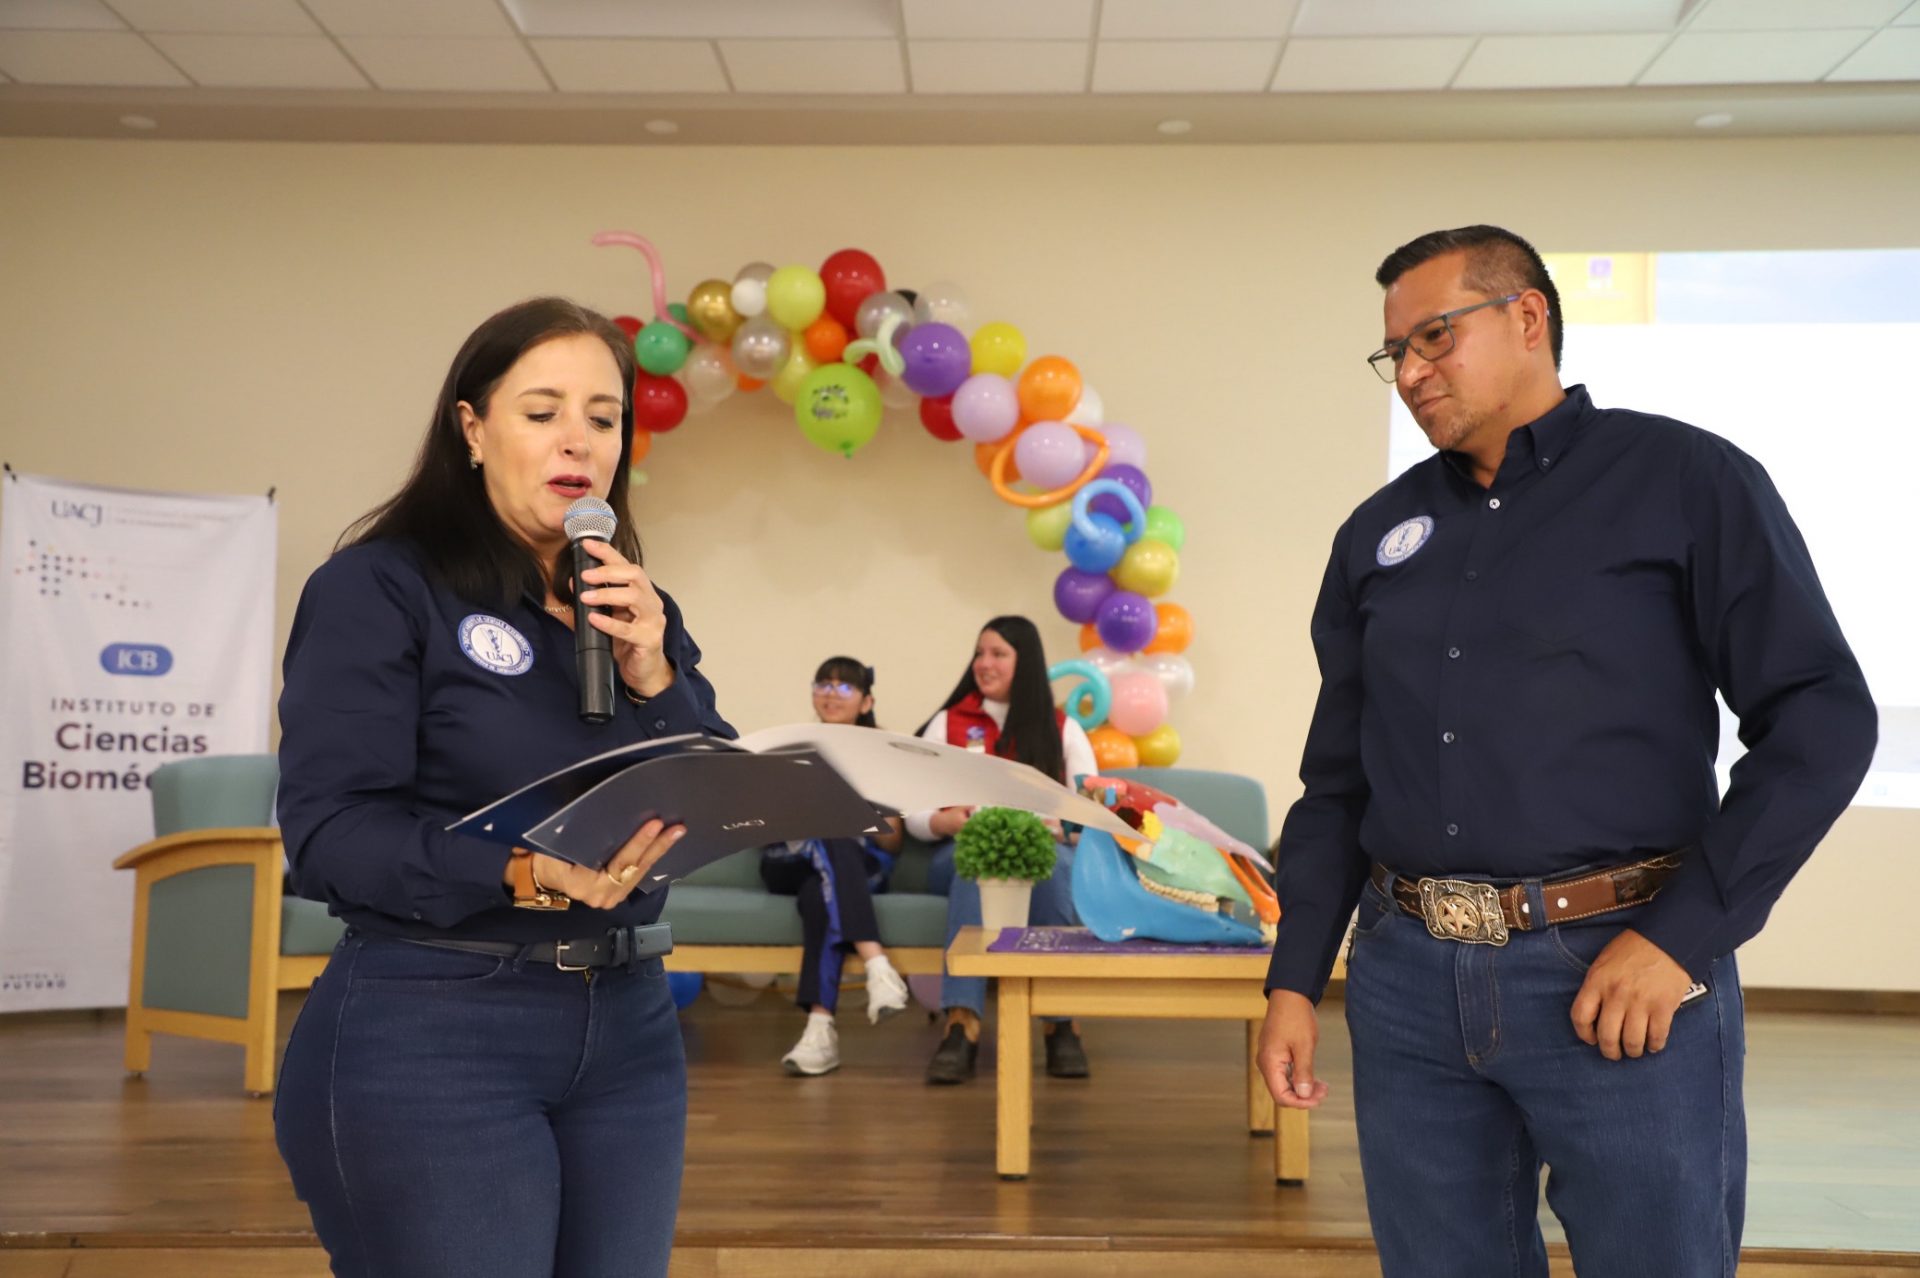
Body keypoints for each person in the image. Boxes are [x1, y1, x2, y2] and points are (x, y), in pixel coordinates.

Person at [1255, 225, 1877, 1276]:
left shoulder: (1685, 479)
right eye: (1395, 352)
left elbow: (1822, 719)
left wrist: (1682, 938)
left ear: (1528, 317)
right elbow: (1339, 783)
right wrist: (1293, 979)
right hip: (1407, 986)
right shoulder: (1377, 535)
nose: (1411, 372)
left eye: (1435, 337)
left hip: (1618, 973)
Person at [274, 297, 733, 1278]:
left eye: (603, 417)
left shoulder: (633, 607)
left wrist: (656, 673)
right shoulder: (379, 588)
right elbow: (329, 835)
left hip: (630, 1029)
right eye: (542, 411)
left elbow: (708, 795)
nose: (579, 440)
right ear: (472, 428)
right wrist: (531, 873)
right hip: (434, 1028)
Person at [910, 616, 1097, 1085]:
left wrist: (1060, 827)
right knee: (978, 866)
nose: (984, 663)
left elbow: (1092, 817)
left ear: (1024, 662)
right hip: (959, 853)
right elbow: (912, 809)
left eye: (998, 654)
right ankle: (962, 1024)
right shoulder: (947, 723)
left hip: (1044, 854)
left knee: (1055, 869)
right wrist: (943, 821)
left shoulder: (1062, 728)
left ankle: (1061, 1023)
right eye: (980, 653)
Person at [760, 656, 911, 1076]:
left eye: (844, 686)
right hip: (786, 860)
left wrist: (856, 807)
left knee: (820, 895)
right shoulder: (793, 748)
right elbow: (764, 823)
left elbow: (893, 841)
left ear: (866, 702)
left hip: (854, 869)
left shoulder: (879, 755)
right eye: (823, 684)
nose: (831, 693)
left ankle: (820, 1028)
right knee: (831, 834)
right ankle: (877, 964)